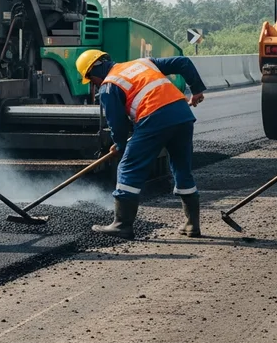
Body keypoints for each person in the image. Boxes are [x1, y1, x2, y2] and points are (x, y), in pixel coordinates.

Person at [76, 49, 207, 239]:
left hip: (155, 118)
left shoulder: (109, 86)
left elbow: (118, 124)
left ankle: (122, 225)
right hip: (182, 116)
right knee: (181, 168)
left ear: (93, 72)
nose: (95, 85)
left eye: (92, 81)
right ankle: (192, 225)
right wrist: (196, 90)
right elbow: (183, 62)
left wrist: (120, 145)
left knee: (128, 167)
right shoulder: (143, 63)